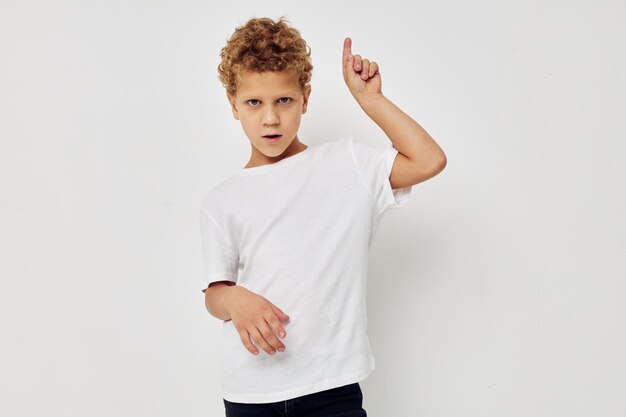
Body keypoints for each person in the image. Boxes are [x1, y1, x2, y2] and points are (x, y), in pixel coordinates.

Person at [199, 15, 446, 417]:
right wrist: (234, 297)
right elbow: (215, 293)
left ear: (306, 99)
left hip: (331, 389)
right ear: (233, 106)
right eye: (254, 103)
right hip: (250, 393)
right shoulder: (222, 200)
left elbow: (429, 159)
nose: (270, 118)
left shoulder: (346, 166)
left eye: (284, 100)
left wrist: (371, 100)